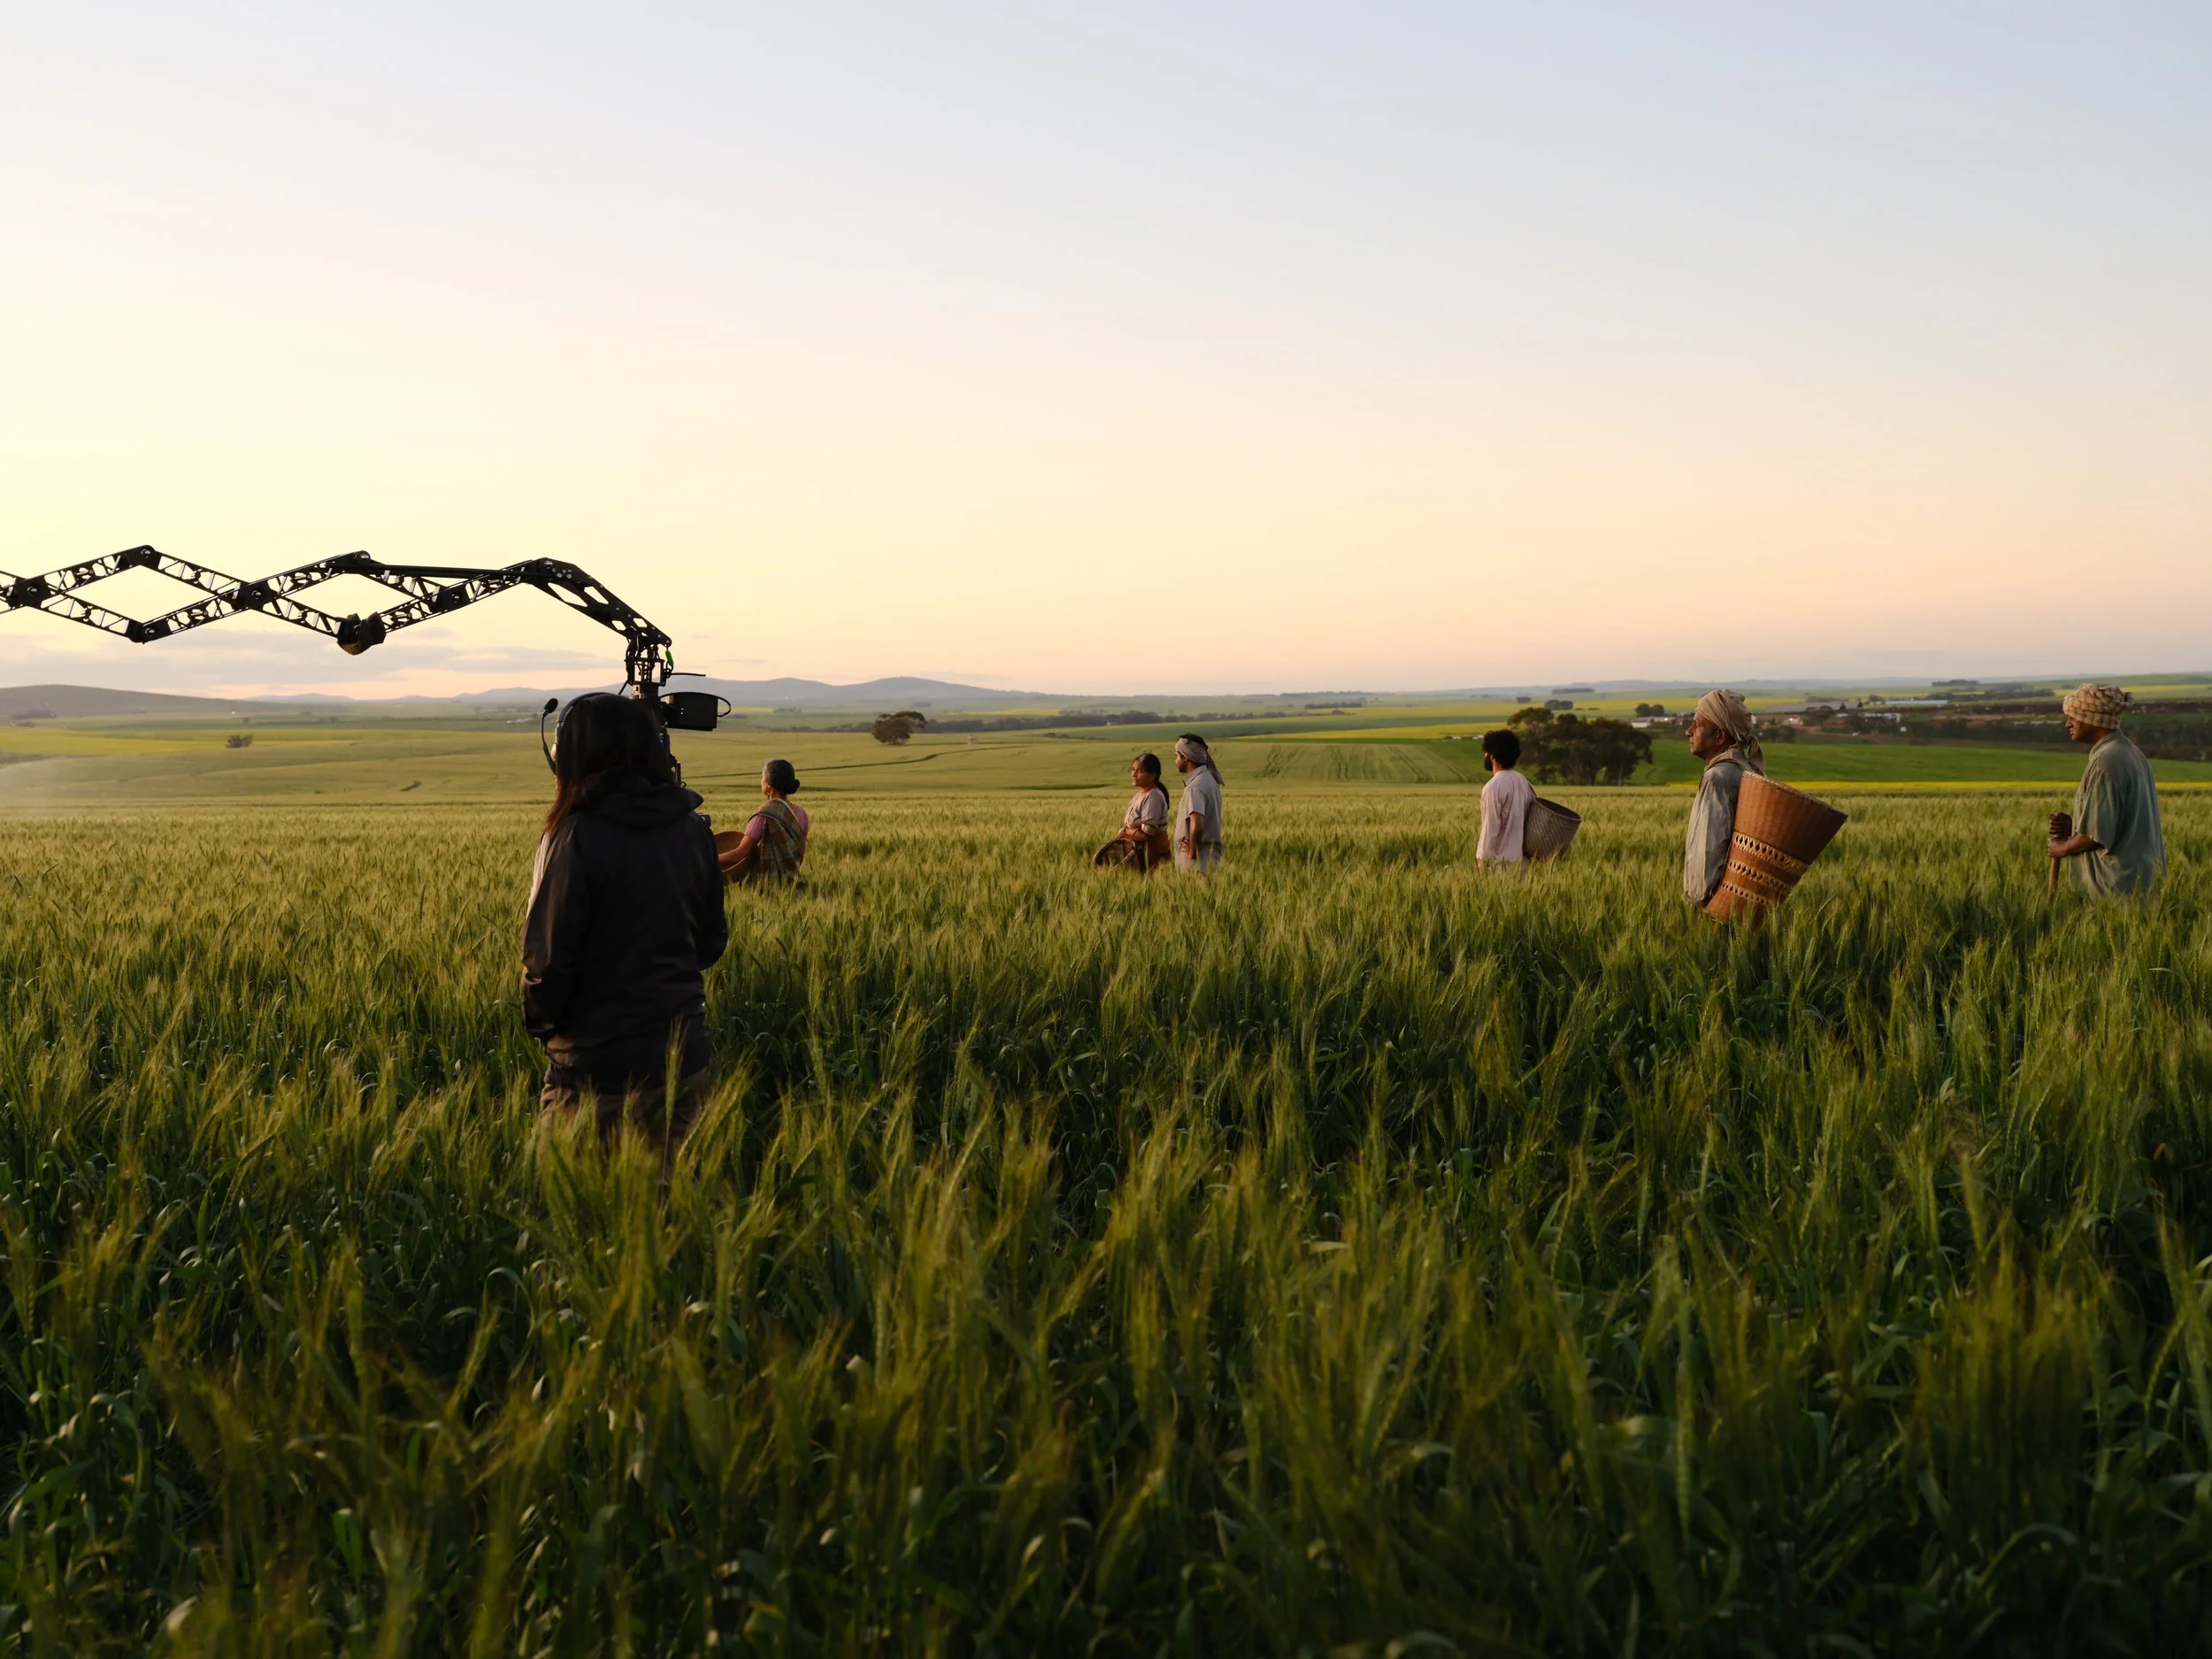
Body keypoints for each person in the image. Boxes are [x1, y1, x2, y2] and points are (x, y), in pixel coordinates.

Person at [522, 694, 728, 1156]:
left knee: (584, 1219)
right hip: (683, 1054)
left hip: (596, 1068)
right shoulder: (693, 829)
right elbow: (711, 941)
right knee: (667, 1212)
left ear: (567, 760)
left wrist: (547, 1030)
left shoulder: (574, 836)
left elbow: (547, 962)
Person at [2047, 685, 2164, 897]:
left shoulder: (2106, 762)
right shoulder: (2130, 752)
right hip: (2137, 884)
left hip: (2114, 889)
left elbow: (2095, 836)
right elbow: (2119, 822)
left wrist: (2063, 847)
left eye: (2073, 716)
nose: (2067, 724)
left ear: (2091, 718)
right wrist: (2075, 826)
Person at [1682, 688, 1765, 906]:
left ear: (1719, 736)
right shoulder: (1748, 770)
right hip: (1743, 903)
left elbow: (1710, 850)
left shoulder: (1718, 777)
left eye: (1696, 725)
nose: (1688, 732)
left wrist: (1700, 904)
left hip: (1719, 907)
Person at [718, 759, 810, 886]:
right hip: (791, 883)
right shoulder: (802, 814)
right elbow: (800, 855)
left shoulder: (764, 815)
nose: (761, 781)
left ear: (769, 785)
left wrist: (708, 859)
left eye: (762, 777)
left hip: (762, 886)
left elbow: (740, 853)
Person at [1476, 728, 1535, 864]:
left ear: (1492, 756)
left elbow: (1489, 830)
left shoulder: (1492, 787)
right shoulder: (1523, 781)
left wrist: (1482, 862)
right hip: (1522, 864)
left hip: (1499, 865)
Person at [1107, 752, 1171, 872]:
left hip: (1153, 857)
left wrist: (1125, 831)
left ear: (1152, 775)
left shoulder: (1153, 796)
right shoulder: (1139, 795)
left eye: (1139, 771)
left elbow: (1147, 833)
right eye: (1133, 770)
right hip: (1139, 856)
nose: (1134, 774)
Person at [1172, 733, 1225, 872]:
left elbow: (1198, 825)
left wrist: (1191, 852)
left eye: (1177, 756)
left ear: (1186, 757)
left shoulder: (1194, 787)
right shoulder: (1210, 781)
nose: (1175, 760)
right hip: (1211, 858)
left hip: (1197, 863)